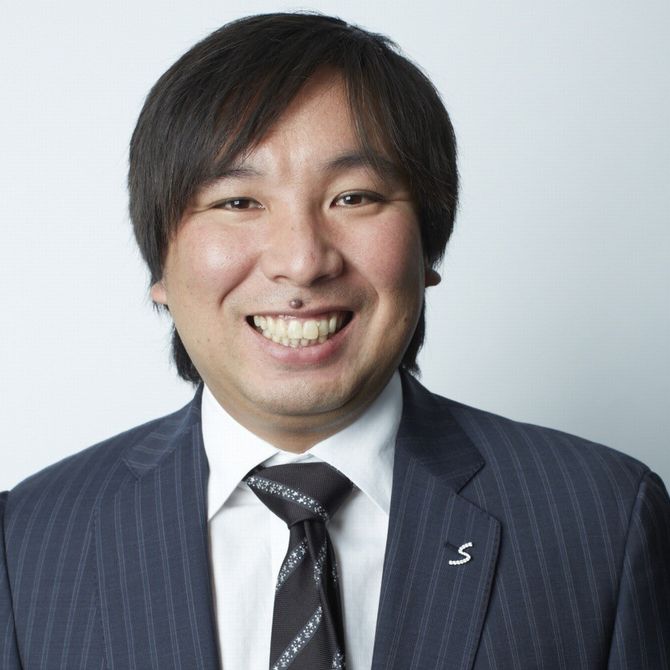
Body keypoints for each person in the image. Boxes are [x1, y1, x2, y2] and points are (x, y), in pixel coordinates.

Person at [1, 12, 669, 670]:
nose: (302, 261)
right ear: (160, 268)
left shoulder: (603, 519)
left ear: (427, 249)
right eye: (238, 202)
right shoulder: (26, 542)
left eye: (354, 197)